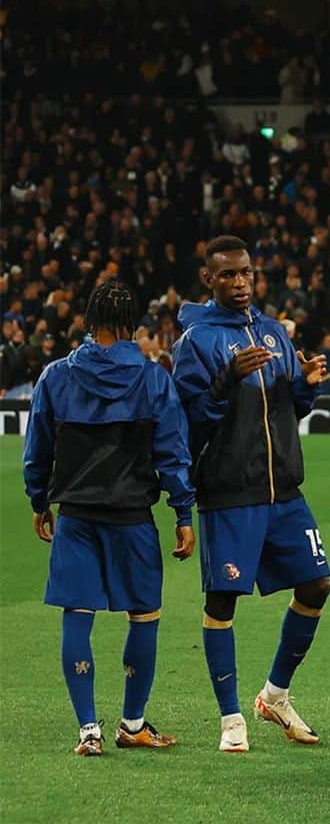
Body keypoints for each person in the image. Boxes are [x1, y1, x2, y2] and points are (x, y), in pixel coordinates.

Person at [22, 280, 196, 757]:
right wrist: (183, 511)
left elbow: (37, 449)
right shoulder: (152, 377)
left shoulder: (56, 376)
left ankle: (88, 731)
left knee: (77, 616)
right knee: (144, 617)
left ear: (86, 318)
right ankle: (133, 723)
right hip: (132, 519)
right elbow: (173, 452)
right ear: (133, 324)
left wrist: (40, 501)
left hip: (76, 517)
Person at [171, 236, 330, 753]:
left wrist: (305, 384)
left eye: (246, 273)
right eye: (228, 275)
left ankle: (275, 695)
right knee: (223, 600)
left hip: (283, 489)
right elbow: (188, 422)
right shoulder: (194, 342)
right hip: (230, 491)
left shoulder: (274, 332)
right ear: (208, 280)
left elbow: (289, 411)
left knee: (317, 586)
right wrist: (223, 381)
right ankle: (231, 717)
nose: (240, 283)